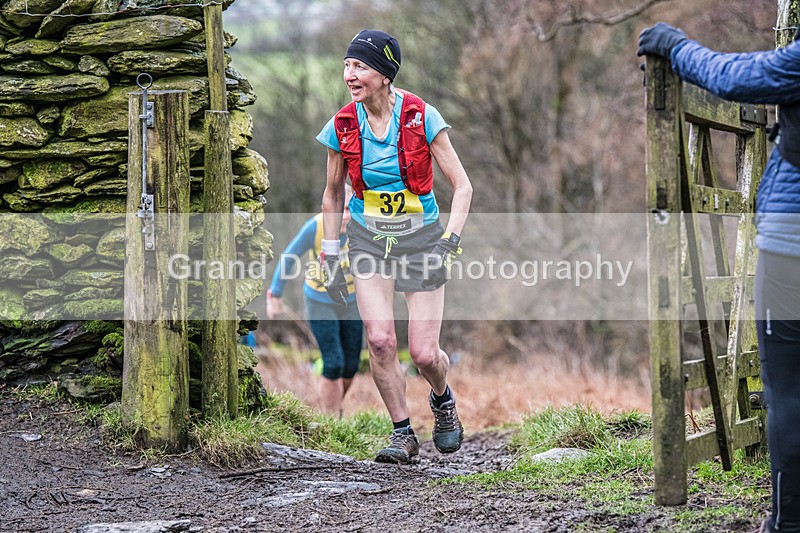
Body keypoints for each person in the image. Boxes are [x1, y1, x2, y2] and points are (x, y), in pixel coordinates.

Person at [638, 23, 800, 533]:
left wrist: (675, 48)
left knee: (789, 393)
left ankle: (788, 521)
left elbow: (732, 77)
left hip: (790, 248)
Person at [317, 29, 473, 464]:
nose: (350, 75)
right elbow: (332, 195)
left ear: (385, 74)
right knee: (381, 340)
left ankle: (442, 399)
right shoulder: (342, 125)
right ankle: (402, 432)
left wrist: (449, 243)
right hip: (368, 240)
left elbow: (462, 187)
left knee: (423, 353)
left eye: (360, 66)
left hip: (422, 240)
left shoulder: (422, 116)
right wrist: (331, 254)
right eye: (347, 65)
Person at [267, 199, 363, 418]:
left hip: (351, 301)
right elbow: (289, 257)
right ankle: (331, 419)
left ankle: (334, 406)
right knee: (333, 362)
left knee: (351, 365)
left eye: (350, 208)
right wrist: (275, 294)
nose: (345, 215)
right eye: (340, 209)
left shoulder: (362, 225)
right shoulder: (316, 227)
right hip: (320, 300)